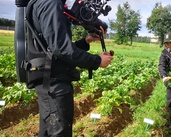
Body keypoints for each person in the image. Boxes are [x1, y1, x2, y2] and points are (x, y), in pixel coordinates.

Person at [28, 0, 113, 136]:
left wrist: (86, 41)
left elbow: (55, 49)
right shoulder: (51, 3)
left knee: (48, 131)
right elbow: (61, 48)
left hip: (50, 80)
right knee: (59, 132)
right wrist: (97, 61)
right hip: (54, 83)